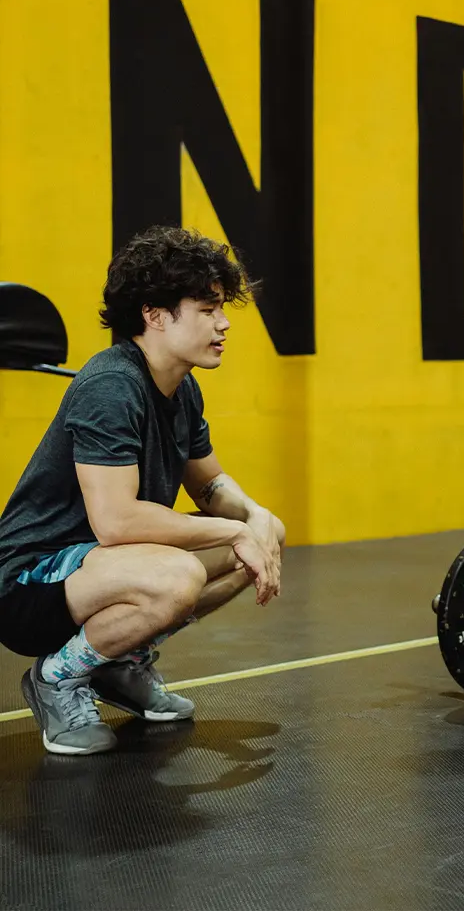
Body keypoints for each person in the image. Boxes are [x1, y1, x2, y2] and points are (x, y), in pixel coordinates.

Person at [0, 226, 285, 756]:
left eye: (222, 308)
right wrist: (234, 528)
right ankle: (57, 677)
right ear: (154, 315)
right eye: (207, 309)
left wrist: (254, 515)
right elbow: (118, 522)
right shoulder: (111, 386)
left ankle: (116, 661)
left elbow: (210, 485)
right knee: (177, 575)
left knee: (264, 534)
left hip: (100, 566)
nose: (224, 323)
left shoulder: (181, 386)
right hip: (26, 583)